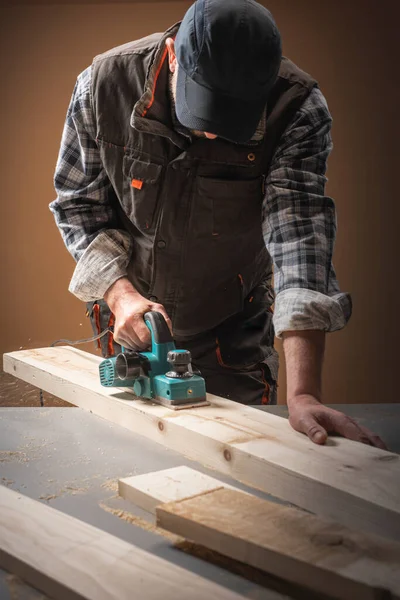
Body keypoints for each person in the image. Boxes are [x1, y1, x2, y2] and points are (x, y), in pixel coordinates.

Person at [51, 0, 385, 449]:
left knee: (246, 467)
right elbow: (79, 207)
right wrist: (121, 294)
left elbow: (299, 241)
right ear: (172, 56)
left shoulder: (297, 109)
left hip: (232, 331)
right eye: (201, 107)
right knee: (129, 462)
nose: (212, 133)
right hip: (131, 323)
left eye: (232, 120)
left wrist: (304, 395)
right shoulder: (102, 87)